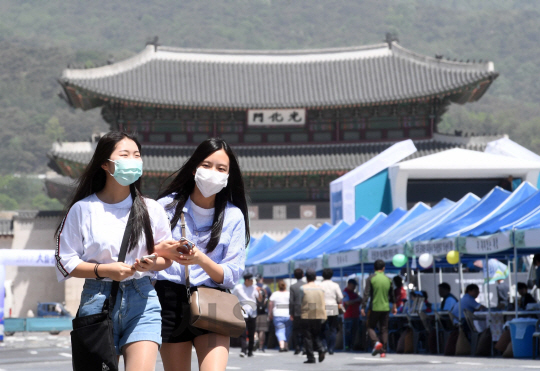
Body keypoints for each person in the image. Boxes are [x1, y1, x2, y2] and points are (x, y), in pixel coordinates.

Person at [54, 131, 173, 370]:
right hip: (97, 299)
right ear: (105, 164)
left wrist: (152, 264)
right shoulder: (82, 209)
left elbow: (165, 259)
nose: (133, 160)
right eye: (125, 154)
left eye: (137, 155)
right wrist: (105, 270)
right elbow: (65, 262)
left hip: (143, 299)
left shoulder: (152, 209)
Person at [153, 137, 250, 371]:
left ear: (228, 176)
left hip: (214, 301)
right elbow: (146, 248)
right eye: (206, 165)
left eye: (221, 168)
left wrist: (201, 259)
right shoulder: (164, 207)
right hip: (169, 300)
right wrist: (166, 251)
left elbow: (231, 274)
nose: (212, 172)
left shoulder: (233, 215)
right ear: (194, 167)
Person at [361, 260, 396, 358]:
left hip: (374, 307)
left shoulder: (371, 278)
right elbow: (392, 295)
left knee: (370, 326)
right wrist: (394, 306)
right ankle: (383, 351)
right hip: (385, 308)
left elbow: (366, 294)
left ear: (374, 268)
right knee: (384, 329)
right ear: (384, 268)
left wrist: (363, 307)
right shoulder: (388, 279)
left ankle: (376, 343)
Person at [300, 269, 327, 364]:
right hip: (319, 314)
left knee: (307, 336)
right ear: (315, 278)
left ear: (306, 278)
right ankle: (321, 349)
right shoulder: (321, 288)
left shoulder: (303, 288)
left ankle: (311, 357)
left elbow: (300, 301)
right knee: (316, 334)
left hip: (306, 314)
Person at [233, 273, 262, 357]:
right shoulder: (238, 287)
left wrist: (259, 291)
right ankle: (243, 350)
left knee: (252, 331)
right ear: (247, 280)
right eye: (251, 280)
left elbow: (259, 299)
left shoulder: (254, 288)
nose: (253, 281)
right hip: (242, 311)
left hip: (253, 312)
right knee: (243, 332)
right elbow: (232, 296)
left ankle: (250, 351)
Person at [318, 268, 343, 355]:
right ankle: (331, 348)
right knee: (333, 329)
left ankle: (324, 346)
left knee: (322, 329)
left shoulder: (320, 285)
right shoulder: (335, 285)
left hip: (323, 307)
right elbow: (340, 297)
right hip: (333, 306)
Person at [268, 280, 292, 352]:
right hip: (287, 314)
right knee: (288, 331)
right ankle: (286, 345)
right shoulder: (289, 294)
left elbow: (270, 304)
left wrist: (270, 313)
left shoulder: (275, 294)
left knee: (279, 330)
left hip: (277, 314)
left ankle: (281, 345)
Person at [289, 268, 305, 355]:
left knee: (295, 330)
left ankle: (297, 347)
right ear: (303, 275)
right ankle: (305, 347)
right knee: (305, 330)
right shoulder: (306, 285)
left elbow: (291, 301)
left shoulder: (292, 287)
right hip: (306, 310)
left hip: (296, 311)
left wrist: (291, 313)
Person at [342, 279, 361, 351]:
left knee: (354, 332)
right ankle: (347, 346)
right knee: (348, 332)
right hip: (348, 316)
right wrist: (356, 300)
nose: (354, 287)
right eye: (353, 286)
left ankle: (352, 346)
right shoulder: (345, 293)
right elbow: (347, 302)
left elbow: (360, 299)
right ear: (349, 284)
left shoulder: (354, 293)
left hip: (355, 315)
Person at [255, 274, 271, 352]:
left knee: (255, 329)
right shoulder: (266, 288)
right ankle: (261, 346)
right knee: (262, 330)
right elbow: (270, 298)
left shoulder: (253, 287)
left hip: (254, 311)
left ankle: (255, 341)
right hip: (264, 312)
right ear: (262, 278)